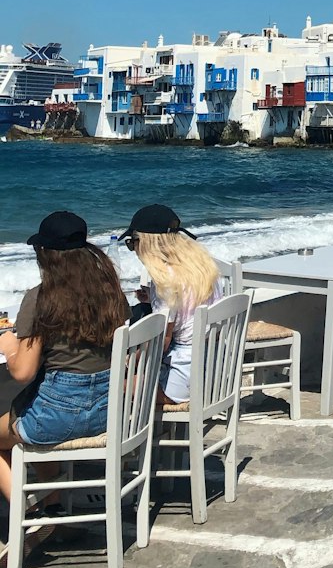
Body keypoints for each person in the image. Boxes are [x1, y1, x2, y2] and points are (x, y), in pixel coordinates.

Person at [0, 212, 130, 513]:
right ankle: (53, 507)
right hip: (109, 413)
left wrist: (9, 346)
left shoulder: (42, 298)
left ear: (46, 255)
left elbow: (23, 372)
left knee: (31, 415)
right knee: (33, 408)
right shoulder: (110, 293)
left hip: (57, 418)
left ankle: (31, 513)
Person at [123, 204, 224, 403]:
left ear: (148, 243)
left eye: (133, 242)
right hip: (213, 365)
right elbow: (187, 306)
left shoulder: (166, 281)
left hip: (182, 379)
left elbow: (161, 342)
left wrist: (128, 361)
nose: (133, 249)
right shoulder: (202, 266)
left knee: (112, 386)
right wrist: (152, 299)